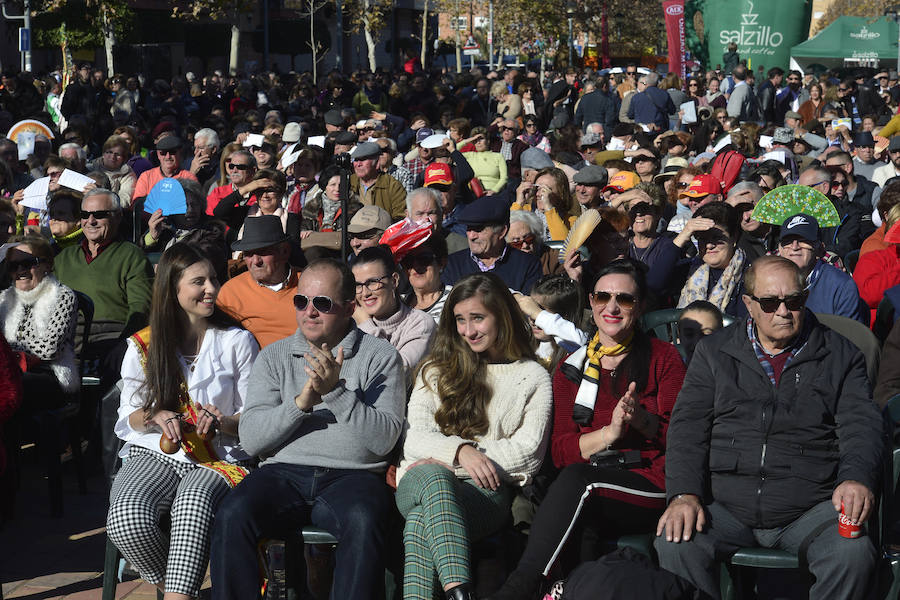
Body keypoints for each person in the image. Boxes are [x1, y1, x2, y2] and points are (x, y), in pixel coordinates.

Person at [655, 256, 883, 600]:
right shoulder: (714, 352)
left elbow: (861, 425)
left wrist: (855, 477)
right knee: (676, 541)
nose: (783, 311)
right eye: (770, 302)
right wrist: (684, 494)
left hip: (808, 504)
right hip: (726, 502)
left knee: (851, 553)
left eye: (794, 301)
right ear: (748, 303)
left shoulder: (840, 355)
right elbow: (688, 427)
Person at [210, 258, 406, 600]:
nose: (309, 312)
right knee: (231, 514)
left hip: (353, 475)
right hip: (282, 472)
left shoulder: (380, 356)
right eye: (301, 301)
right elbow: (252, 439)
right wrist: (300, 404)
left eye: (322, 303)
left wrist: (336, 393)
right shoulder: (274, 356)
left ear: (348, 307)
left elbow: (383, 440)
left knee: (364, 519)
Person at [490, 259, 686, 599]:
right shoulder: (573, 364)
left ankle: (520, 588)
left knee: (582, 481)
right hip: (588, 486)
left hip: (649, 479)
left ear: (639, 307)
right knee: (579, 500)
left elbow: (682, 437)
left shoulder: (663, 357)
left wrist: (640, 420)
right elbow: (559, 449)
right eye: (602, 297)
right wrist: (607, 435)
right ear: (590, 302)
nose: (611, 307)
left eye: (624, 300)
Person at [106, 242, 259, 600]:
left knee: (191, 504)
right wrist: (155, 415)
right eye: (198, 281)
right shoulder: (143, 345)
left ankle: (178, 596)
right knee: (126, 518)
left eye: (214, 279)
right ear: (172, 290)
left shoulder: (237, 341)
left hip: (219, 457)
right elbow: (128, 415)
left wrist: (223, 422)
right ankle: (178, 588)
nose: (211, 289)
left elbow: (254, 417)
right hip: (154, 451)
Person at [396, 273, 553, 600]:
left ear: (502, 316)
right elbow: (413, 440)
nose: (468, 331)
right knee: (433, 477)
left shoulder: (532, 376)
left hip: (485, 492)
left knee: (420, 522)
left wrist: (448, 455)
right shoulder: (435, 370)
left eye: (478, 318)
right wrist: (460, 452)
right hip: (420, 482)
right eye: (460, 320)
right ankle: (462, 594)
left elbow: (527, 455)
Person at [0, 236, 79, 408]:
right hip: (9, 371)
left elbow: (49, 349)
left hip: (50, 373)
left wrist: (8, 350)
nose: (20, 270)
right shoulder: (4, 299)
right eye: (13, 266)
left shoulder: (63, 296)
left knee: (9, 388)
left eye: (28, 263)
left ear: (47, 265)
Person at [216, 216, 300, 348]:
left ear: (284, 252)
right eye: (248, 254)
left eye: (263, 252)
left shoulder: (309, 284)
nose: (255, 261)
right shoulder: (231, 292)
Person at [352, 246, 436, 376]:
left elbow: (396, 374)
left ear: (394, 281)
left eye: (373, 282)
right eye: (358, 285)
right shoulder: (349, 323)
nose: (365, 293)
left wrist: (366, 324)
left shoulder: (420, 323)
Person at [777, 214, 868, 324]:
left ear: (819, 248)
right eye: (788, 241)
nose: (795, 247)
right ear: (780, 249)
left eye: (803, 240)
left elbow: (849, 337)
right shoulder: (770, 283)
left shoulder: (841, 286)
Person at [441, 196, 543, 293]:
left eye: (479, 229)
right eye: (469, 229)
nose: (472, 236)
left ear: (502, 232)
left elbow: (529, 308)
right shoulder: (452, 264)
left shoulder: (528, 265)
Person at [677, 203, 748, 318]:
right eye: (702, 239)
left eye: (717, 238)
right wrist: (684, 235)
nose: (709, 245)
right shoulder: (692, 268)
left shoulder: (748, 274)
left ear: (734, 237)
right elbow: (656, 282)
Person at [402, 228, 452, 323]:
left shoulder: (455, 299)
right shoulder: (398, 303)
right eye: (408, 260)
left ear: (441, 263)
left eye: (424, 259)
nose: (415, 266)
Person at [132, 137, 198, 208]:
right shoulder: (146, 177)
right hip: (150, 218)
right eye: (163, 153)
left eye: (172, 152)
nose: (168, 156)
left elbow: (194, 205)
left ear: (179, 153)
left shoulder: (189, 178)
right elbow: (138, 205)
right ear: (158, 155)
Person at [349, 142, 407, 220]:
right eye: (356, 160)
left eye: (363, 159)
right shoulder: (348, 182)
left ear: (377, 163)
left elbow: (401, 217)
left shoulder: (393, 186)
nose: (358, 164)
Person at [301, 165, 363, 234]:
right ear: (325, 186)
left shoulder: (355, 208)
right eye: (333, 185)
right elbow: (303, 228)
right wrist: (305, 232)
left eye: (341, 185)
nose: (337, 189)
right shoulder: (311, 209)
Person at [461, 127, 508, 195]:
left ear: (488, 141)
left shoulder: (498, 156)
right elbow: (452, 153)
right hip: (474, 193)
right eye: (475, 140)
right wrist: (468, 140)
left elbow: (504, 178)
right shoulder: (470, 156)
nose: (478, 142)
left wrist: (494, 191)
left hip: (495, 193)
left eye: (481, 139)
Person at [677, 300, 724, 366]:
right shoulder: (672, 371)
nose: (697, 342)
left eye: (707, 335)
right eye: (689, 334)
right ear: (679, 335)